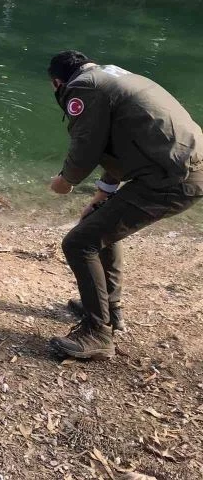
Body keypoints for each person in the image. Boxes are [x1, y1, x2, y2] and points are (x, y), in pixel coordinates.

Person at [47, 50, 203, 360]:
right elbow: (121, 143)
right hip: (181, 168)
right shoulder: (112, 76)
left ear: (57, 82)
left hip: (172, 178)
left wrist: (65, 181)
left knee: (79, 242)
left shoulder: (82, 88)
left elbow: (87, 145)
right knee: (98, 222)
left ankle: (97, 333)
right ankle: (110, 310)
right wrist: (101, 195)